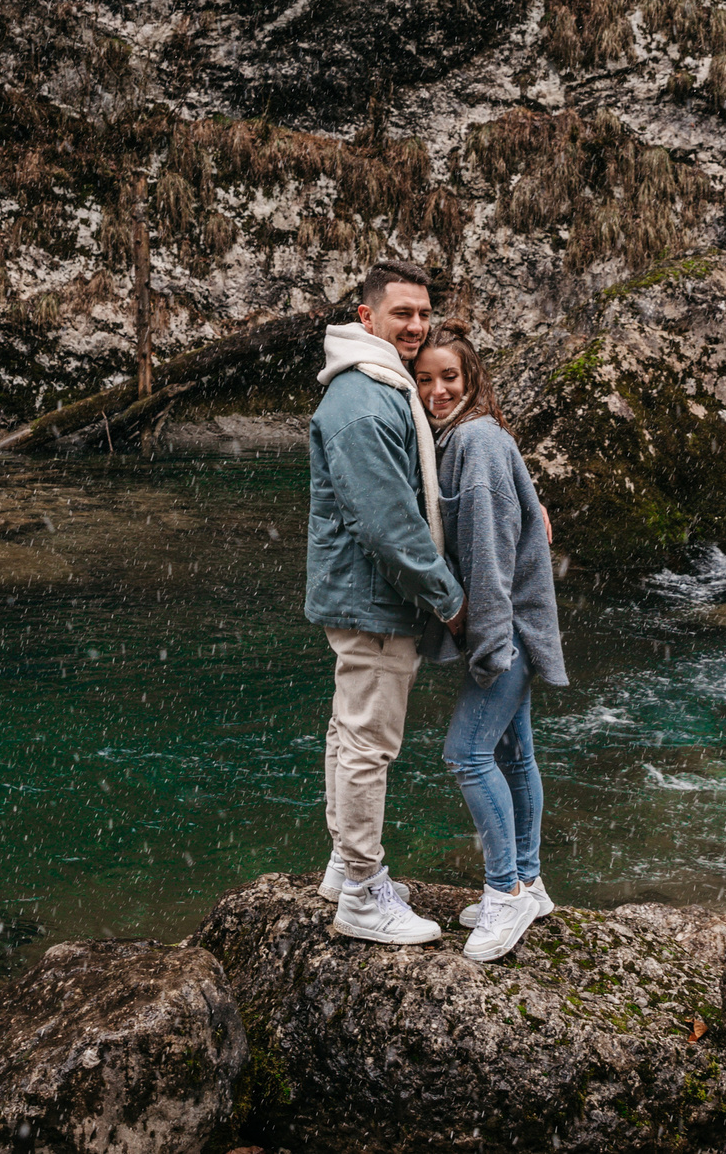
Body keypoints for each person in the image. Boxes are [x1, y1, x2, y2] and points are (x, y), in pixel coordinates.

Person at [306, 257, 465, 945]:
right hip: (375, 600)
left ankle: (347, 867)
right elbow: (389, 525)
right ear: (367, 317)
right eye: (403, 313)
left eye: (425, 313)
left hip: (362, 596)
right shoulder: (364, 401)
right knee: (369, 744)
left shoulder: (373, 386)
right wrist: (448, 597)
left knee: (350, 735)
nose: (418, 325)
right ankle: (365, 896)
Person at [414, 319, 566, 962]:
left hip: (507, 630)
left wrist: (489, 644)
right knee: (513, 751)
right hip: (522, 624)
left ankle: (504, 893)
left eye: (450, 377)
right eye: (424, 380)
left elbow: (491, 557)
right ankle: (529, 882)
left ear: (472, 379)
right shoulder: (473, 439)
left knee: (466, 754)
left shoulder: (474, 444)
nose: (437, 390)